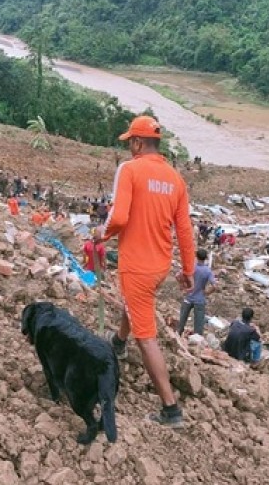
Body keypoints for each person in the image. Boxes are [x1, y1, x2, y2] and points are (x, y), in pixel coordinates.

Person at [95, 115, 196, 429]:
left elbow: (120, 217)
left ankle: (170, 409)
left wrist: (102, 233)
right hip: (159, 266)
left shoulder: (130, 170)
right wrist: (189, 269)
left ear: (138, 143)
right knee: (136, 306)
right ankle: (118, 343)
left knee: (147, 335)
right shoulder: (175, 180)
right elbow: (185, 229)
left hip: (136, 265)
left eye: (130, 144)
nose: (129, 149)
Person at [177, 249, 216, 337]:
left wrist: (182, 286)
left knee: (182, 320)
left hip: (188, 297)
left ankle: (177, 336)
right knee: (198, 324)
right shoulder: (207, 271)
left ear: (196, 256)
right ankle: (197, 342)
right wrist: (207, 293)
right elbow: (215, 286)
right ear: (206, 258)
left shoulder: (191, 267)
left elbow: (178, 275)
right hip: (200, 299)